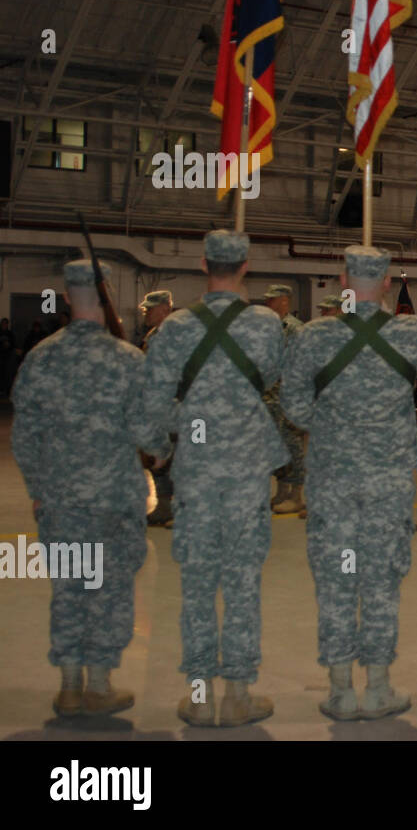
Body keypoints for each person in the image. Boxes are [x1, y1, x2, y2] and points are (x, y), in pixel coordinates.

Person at [141, 230, 287, 727]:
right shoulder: (267, 324)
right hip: (246, 470)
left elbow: (150, 406)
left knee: (198, 585)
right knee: (243, 582)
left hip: (197, 470)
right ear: (246, 267)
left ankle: (200, 696)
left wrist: (162, 451)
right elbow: (270, 380)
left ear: (204, 264)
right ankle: (239, 696)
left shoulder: (175, 330)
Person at [11, 261, 169, 718]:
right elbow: (147, 428)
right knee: (108, 588)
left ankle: (67, 685)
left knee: (69, 588)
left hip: (60, 499)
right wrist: (159, 452)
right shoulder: (127, 359)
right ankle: (98, 685)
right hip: (115, 500)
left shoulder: (41, 357)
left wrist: (38, 486)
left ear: (66, 298)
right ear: (105, 298)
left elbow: (26, 435)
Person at [281, 246, 417, 720]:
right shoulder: (412, 334)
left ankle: (341, 689)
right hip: (387, 482)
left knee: (337, 580)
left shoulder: (314, 336)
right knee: (382, 581)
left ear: (342, 280)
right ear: (387, 283)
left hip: (332, 481)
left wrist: (329, 428)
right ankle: (380, 686)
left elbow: (292, 403)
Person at [262, 283, 307, 515]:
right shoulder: (266, 327)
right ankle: (281, 490)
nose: (268, 303)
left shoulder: (295, 329)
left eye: (273, 299)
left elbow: (302, 367)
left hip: (288, 398)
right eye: (268, 300)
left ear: (284, 301)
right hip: (268, 398)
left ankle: (296, 495)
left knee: (293, 446)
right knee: (275, 448)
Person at [136, 290, 176, 526]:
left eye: (150, 309)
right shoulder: (154, 334)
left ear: (164, 309)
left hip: (172, 405)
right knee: (158, 458)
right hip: (157, 405)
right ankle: (164, 506)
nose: (146, 313)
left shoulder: (174, 335)